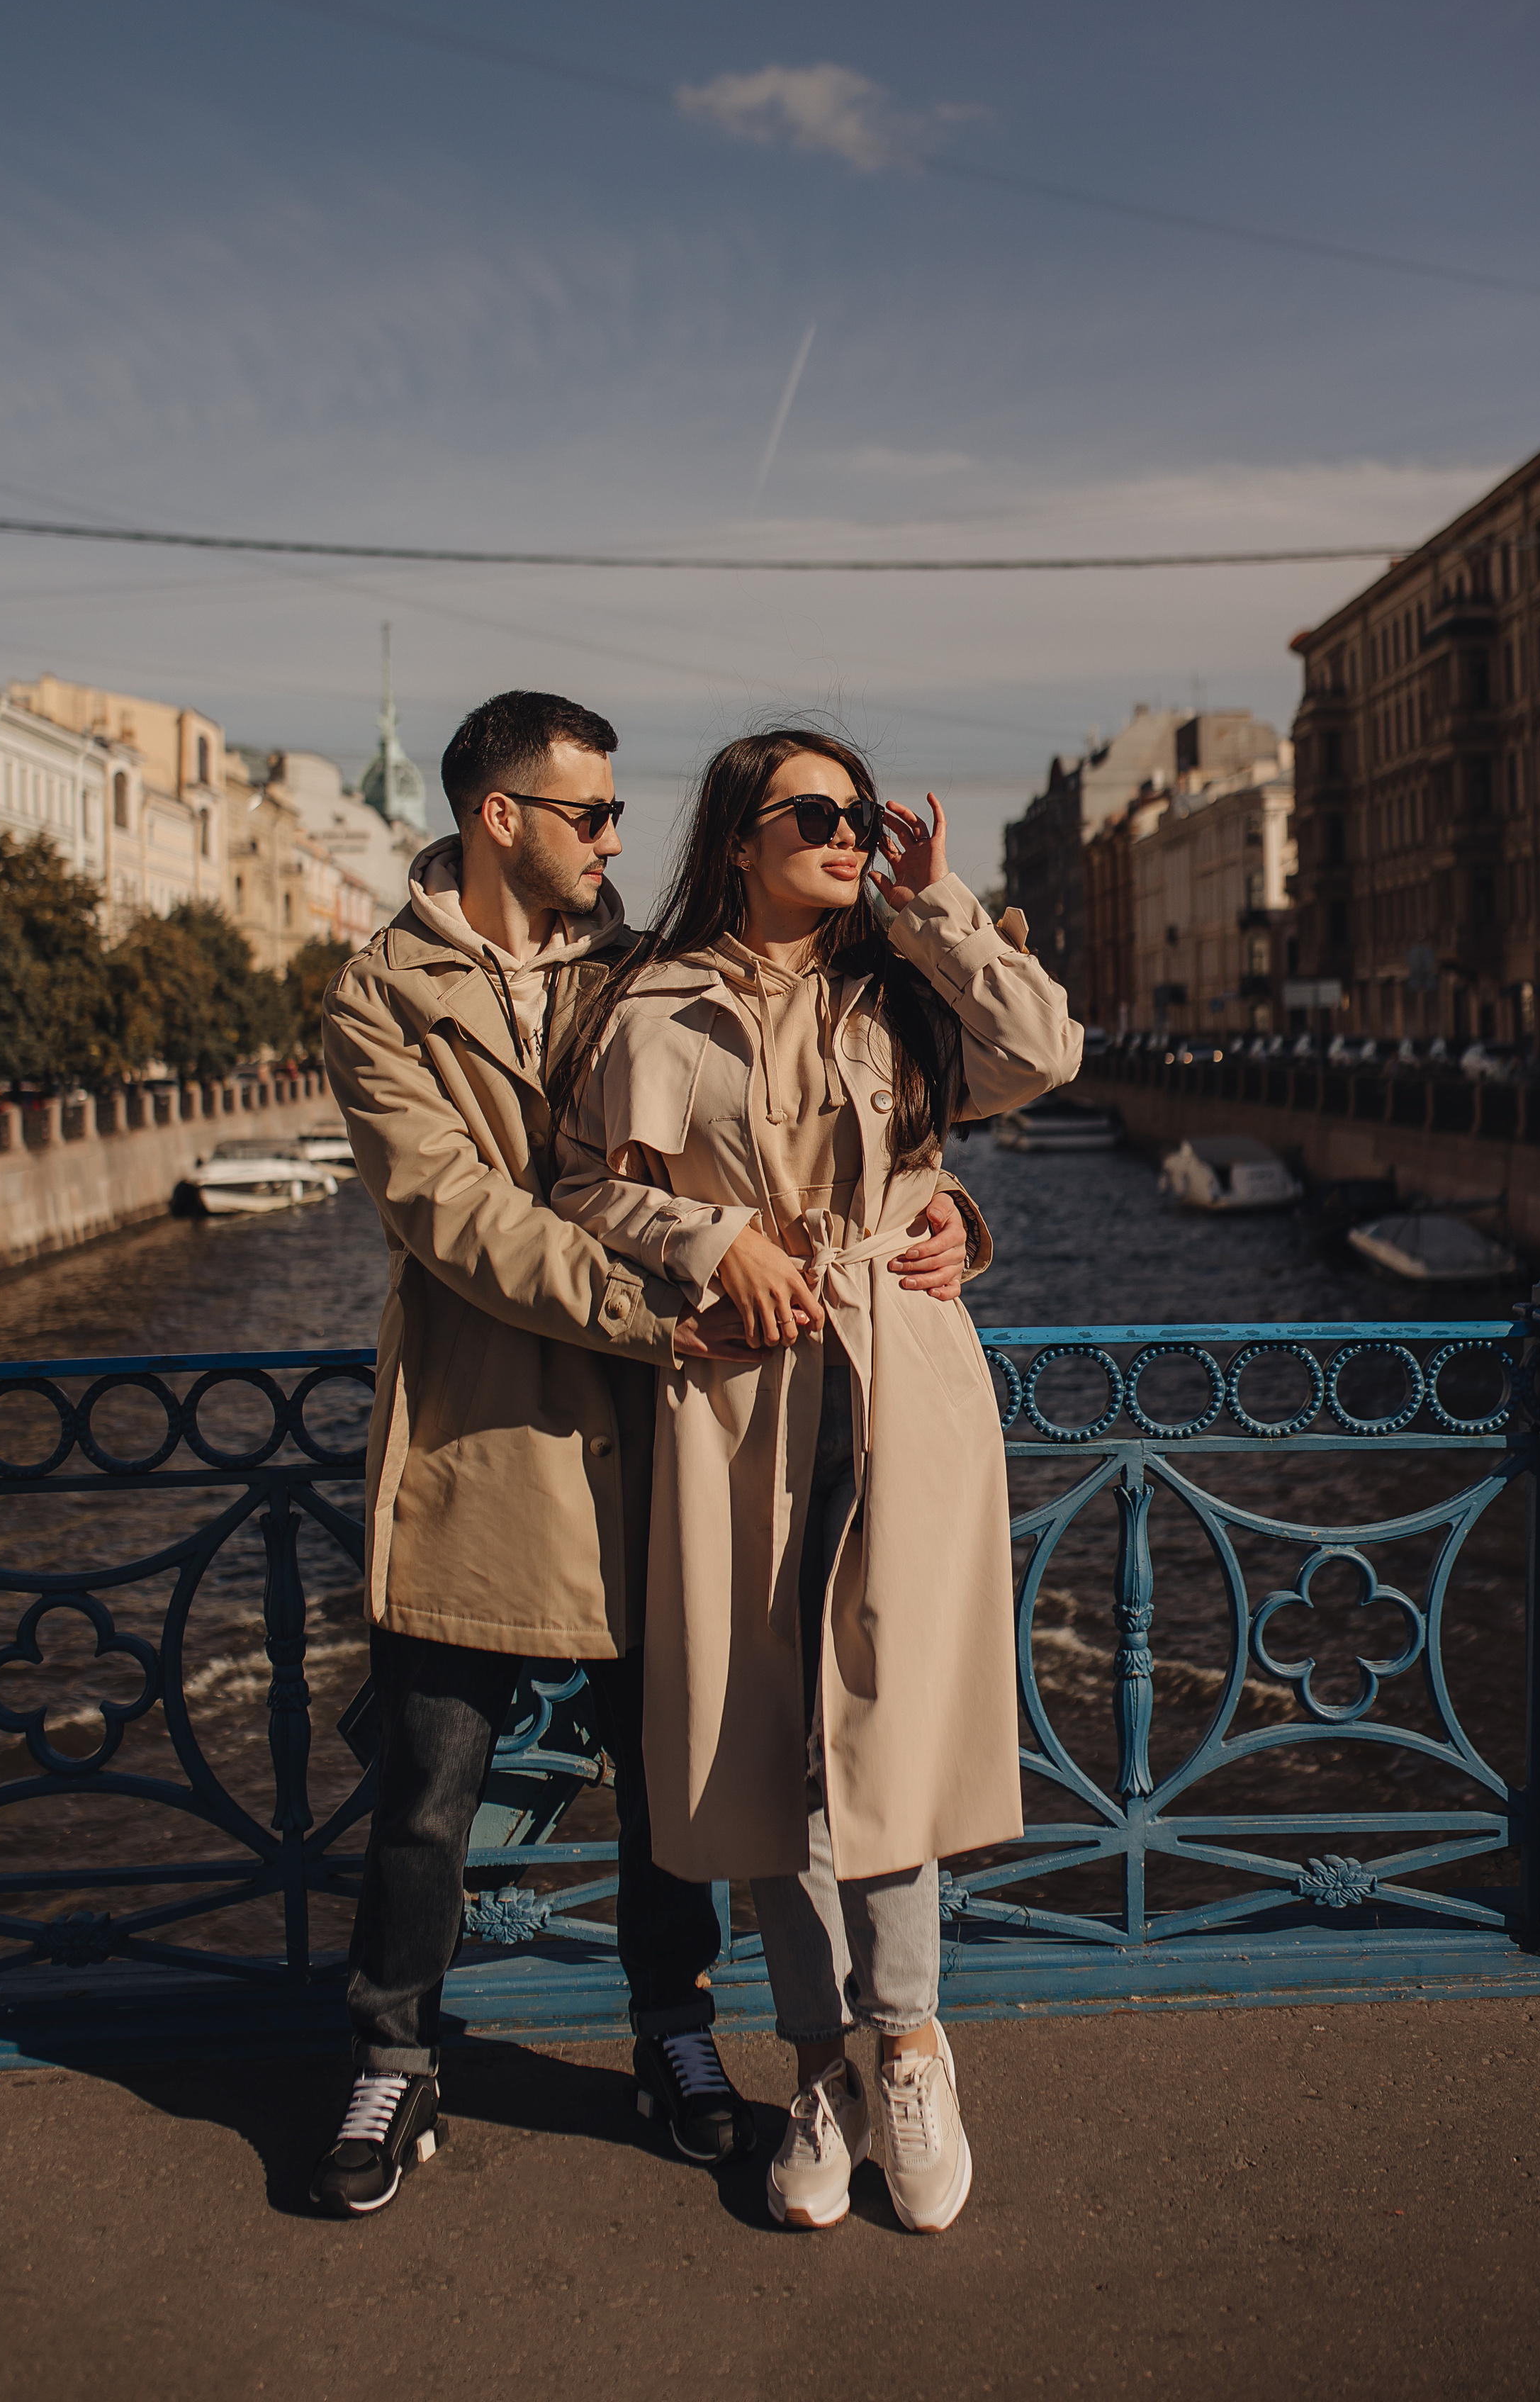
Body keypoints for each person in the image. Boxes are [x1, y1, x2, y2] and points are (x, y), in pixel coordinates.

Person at [310, 692, 975, 2216]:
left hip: (685, 1443)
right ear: (501, 819)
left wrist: (940, 1207)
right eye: (589, 815)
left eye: (620, 816)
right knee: (429, 1783)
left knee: (686, 1779)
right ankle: (392, 2058)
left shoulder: (635, 973)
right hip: (495, 1425)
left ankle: (677, 2033)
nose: (617, 836)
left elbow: (823, 1128)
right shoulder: (378, 995)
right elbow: (458, 1215)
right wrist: (666, 1309)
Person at [553, 729, 1081, 2233]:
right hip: (733, 1386)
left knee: (890, 1726)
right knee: (764, 1741)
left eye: (857, 813)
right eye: (815, 815)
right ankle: (814, 2071)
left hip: (900, 1377)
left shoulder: (902, 980)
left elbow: (1042, 1056)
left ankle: (912, 2046)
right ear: (736, 836)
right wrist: (707, 1242)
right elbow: (584, 1180)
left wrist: (936, 910)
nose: (847, 833)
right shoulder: (649, 1000)